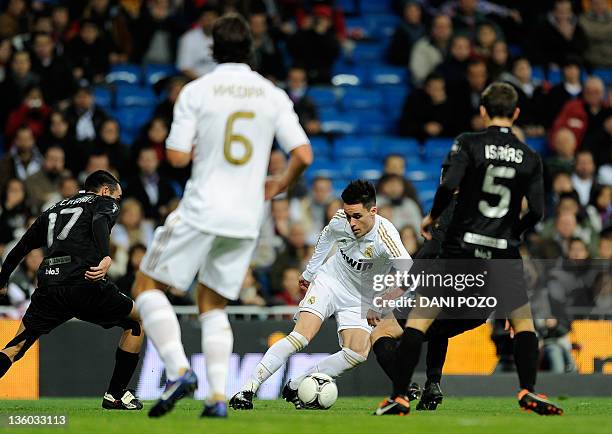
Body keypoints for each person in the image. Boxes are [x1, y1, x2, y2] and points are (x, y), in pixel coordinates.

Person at [131, 14, 312, 419]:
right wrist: (277, 184)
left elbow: (176, 155)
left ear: (212, 48)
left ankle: (178, 370)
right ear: (251, 48)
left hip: (202, 208)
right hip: (246, 217)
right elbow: (303, 155)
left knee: (146, 285)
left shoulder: (197, 91)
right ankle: (216, 398)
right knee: (212, 304)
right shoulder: (272, 94)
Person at [373, 82, 563, 416]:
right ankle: (528, 391)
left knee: (419, 320)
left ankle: (400, 397)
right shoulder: (531, 157)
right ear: (516, 113)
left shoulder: (469, 143)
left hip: (462, 248)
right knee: (524, 324)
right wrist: (510, 234)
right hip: (503, 255)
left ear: (483, 111)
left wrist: (432, 216)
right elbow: (536, 211)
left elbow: (448, 185)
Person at [230, 180, 412, 410]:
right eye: (348, 216)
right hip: (331, 281)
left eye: (357, 216)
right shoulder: (340, 220)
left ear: (373, 211)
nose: (351, 223)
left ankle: (297, 384)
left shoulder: (386, 236)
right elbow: (326, 237)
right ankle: (247, 389)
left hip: (363, 297)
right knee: (301, 337)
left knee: (357, 352)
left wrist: (383, 301)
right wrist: (309, 273)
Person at [0, 170, 144, 411]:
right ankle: (115, 395)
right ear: (106, 190)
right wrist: (105, 255)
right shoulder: (104, 202)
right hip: (84, 282)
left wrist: (2, 278)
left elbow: (22, 245)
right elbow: (99, 221)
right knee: (137, 321)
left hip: (50, 286)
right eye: (117, 198)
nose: (116, 204)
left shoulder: (54, 209)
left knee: (14, 347)